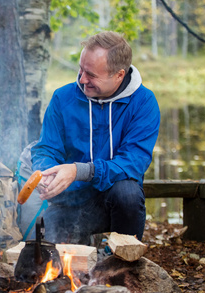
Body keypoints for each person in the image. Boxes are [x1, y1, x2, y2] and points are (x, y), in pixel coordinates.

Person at [31, 31, 160, 245]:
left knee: (127, 193)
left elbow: (132, 163)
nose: (82, 79)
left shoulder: (143, 103)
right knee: (48, 260)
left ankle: (122, 263)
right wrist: (45, 172)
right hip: (69, 202)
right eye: (81, 69)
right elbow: (46, 149)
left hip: (113, 203)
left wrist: (79, 171)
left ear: (119, 75)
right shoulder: (63, 98)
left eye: (91, 75)